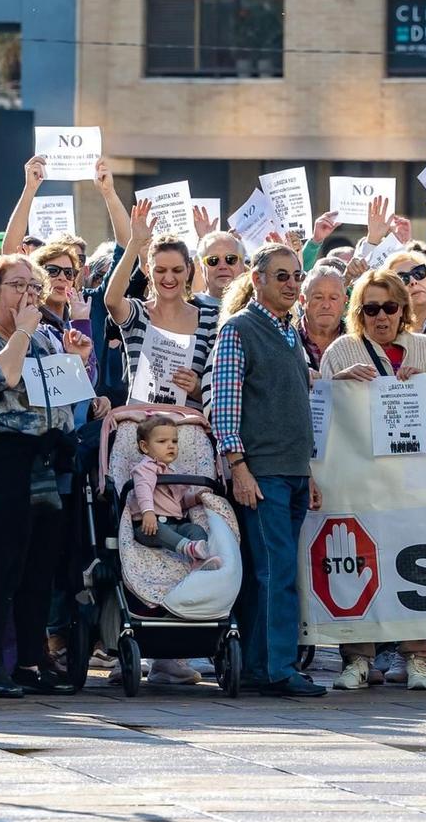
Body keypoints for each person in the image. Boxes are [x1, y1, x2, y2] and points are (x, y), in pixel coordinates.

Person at [0, 255, 91, 699]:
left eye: (34, 287)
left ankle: (32, 661)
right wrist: (23, 332)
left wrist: (77, 363)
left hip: (42, 463)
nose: (29, 294)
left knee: (38, 566)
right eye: (17, 286)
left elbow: (64, 402)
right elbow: (1, 376)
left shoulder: (43, 340)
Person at [321, 269, 426, 691]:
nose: (381, 316)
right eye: (371, 308)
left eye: (390, 307)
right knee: (358, 565)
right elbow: (318, 413)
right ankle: (358, 658)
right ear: (359, 313)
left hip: (412, 480)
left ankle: (417, 657)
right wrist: (336, 384)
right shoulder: (343, 350)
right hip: (359, 480)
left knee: (414, 564)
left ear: (403, 310)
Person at [209, 242, 327, 698]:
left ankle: (262, 665)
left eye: (297, 276)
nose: (292, 285)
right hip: (261, 472)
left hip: (292, 470)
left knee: (274, 571)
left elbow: (296, 408)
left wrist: (309, 471)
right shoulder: (240, 329)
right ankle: (277, 668)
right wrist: (238, 466)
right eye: (282, 276)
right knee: (274, 571)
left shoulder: (290, 332)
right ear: (256, 279)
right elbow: (224, 403)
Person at [107, 200, 218, 409]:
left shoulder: (210, 318)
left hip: (189, 423)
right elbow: (111, 300)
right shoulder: (138, 313)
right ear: (148, 271)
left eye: (176, 270)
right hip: (140, 422)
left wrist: (196, 387)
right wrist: (134, 242)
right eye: (160, 270)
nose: (169, 278)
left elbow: (218, 380)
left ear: (188, 270)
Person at [129, 416, 218, 570]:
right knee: (158, 530)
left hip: (176, 523)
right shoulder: (144, 469)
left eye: (174, 442)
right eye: (162, 442)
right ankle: (188, 549)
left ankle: (199, 561)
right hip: (149, 524)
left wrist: (194, 498)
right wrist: (147, 512)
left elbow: (178, 501)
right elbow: (143, 489)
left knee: (195, 529)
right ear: (145, 447)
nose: (170, 446)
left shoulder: (174, 471)